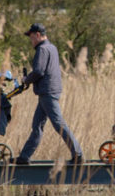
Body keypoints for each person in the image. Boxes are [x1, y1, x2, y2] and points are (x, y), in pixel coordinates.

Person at [14, 23, 83, 166]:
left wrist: (26, 80)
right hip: (50, 91)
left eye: (32, 37)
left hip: (48, 92)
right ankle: (24, 157)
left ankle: (78, 155)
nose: (31, 41)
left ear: (38, 35)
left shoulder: (42, 49)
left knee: (58, 124)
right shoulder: (52, 47)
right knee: (37, 126)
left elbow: (39, 71)